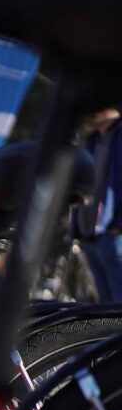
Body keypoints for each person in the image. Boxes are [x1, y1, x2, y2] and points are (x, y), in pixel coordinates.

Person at [73, 109, 122, 301]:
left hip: (114, 237)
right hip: (91, 237)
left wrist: (119, 225)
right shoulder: (92, 141)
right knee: (104, 316)